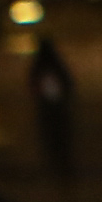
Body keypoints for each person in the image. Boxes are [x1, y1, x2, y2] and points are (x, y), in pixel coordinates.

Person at [27, 36, 77, 180]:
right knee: (57, 137)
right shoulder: (53, 66)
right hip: (53, 108)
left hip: (53, 108)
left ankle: (61, 165)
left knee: (56, 137)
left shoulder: (42, 67)